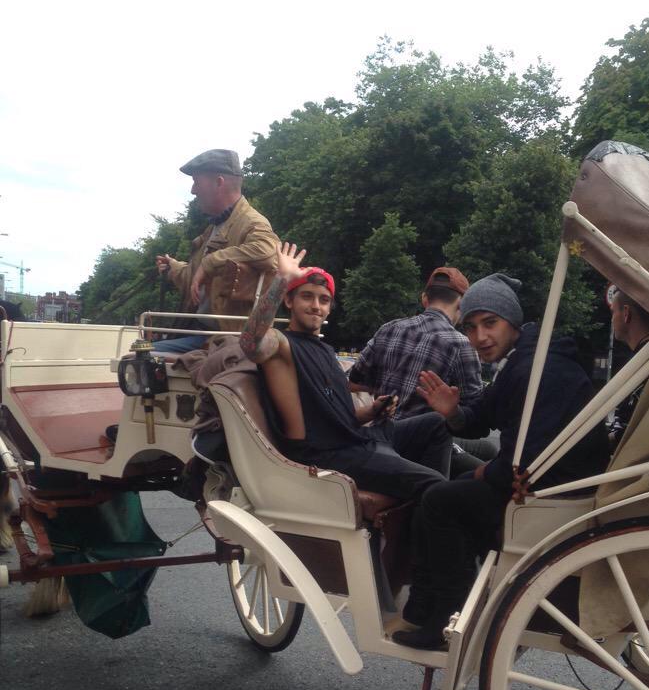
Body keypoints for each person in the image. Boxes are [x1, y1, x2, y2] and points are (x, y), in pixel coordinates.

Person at [391, 272, 610, 649]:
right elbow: (482, 419)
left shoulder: (536, 367)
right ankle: (427, 606)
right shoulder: (528, 358)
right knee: (446, 492)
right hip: (551, 477)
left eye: (490, 323)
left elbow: (531, 452)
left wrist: (488, 471)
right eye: (472, 327)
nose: (480, 337)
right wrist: (453, 412)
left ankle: (443, 617)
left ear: (512, 321)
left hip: (552, 489)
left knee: (439, 502)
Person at [238, 243, 452, 501]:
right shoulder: (282, 345)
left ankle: (424, 513)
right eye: (307, 296)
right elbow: (251, 343)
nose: (316, 306)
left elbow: (341, 419)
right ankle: (435, 511)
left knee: (436, 424)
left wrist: (372, 411)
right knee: (437, 485)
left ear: (329, 308)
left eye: (324, 300)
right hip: (326, 455)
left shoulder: (326, 350)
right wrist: (282, 278)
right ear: (289, 300)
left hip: (354, 439)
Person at [154, 149, 279, 352]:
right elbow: (194, 279)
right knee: (142, 355)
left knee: (143, 357)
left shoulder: (252, 222)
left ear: (218, 182)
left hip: (226, 340)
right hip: (200, 334)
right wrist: (172, 268)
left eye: (197, 181)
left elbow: (269, 251)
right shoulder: (213, 229)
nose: (193, 190)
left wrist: (210, 261)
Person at [348, 267, 483, 419]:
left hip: (379, 436)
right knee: (484, 445)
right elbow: (475, 410)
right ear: (462, 304)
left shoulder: (388, 328)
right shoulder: (462, 345)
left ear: (425, 299)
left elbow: (352, 382)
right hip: (426, 440)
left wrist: (385, 385)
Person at [607, 288, 649, 447]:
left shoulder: (645, 365)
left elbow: (629, 429)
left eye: (613, 312)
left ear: (626, 313)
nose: (612, 320)